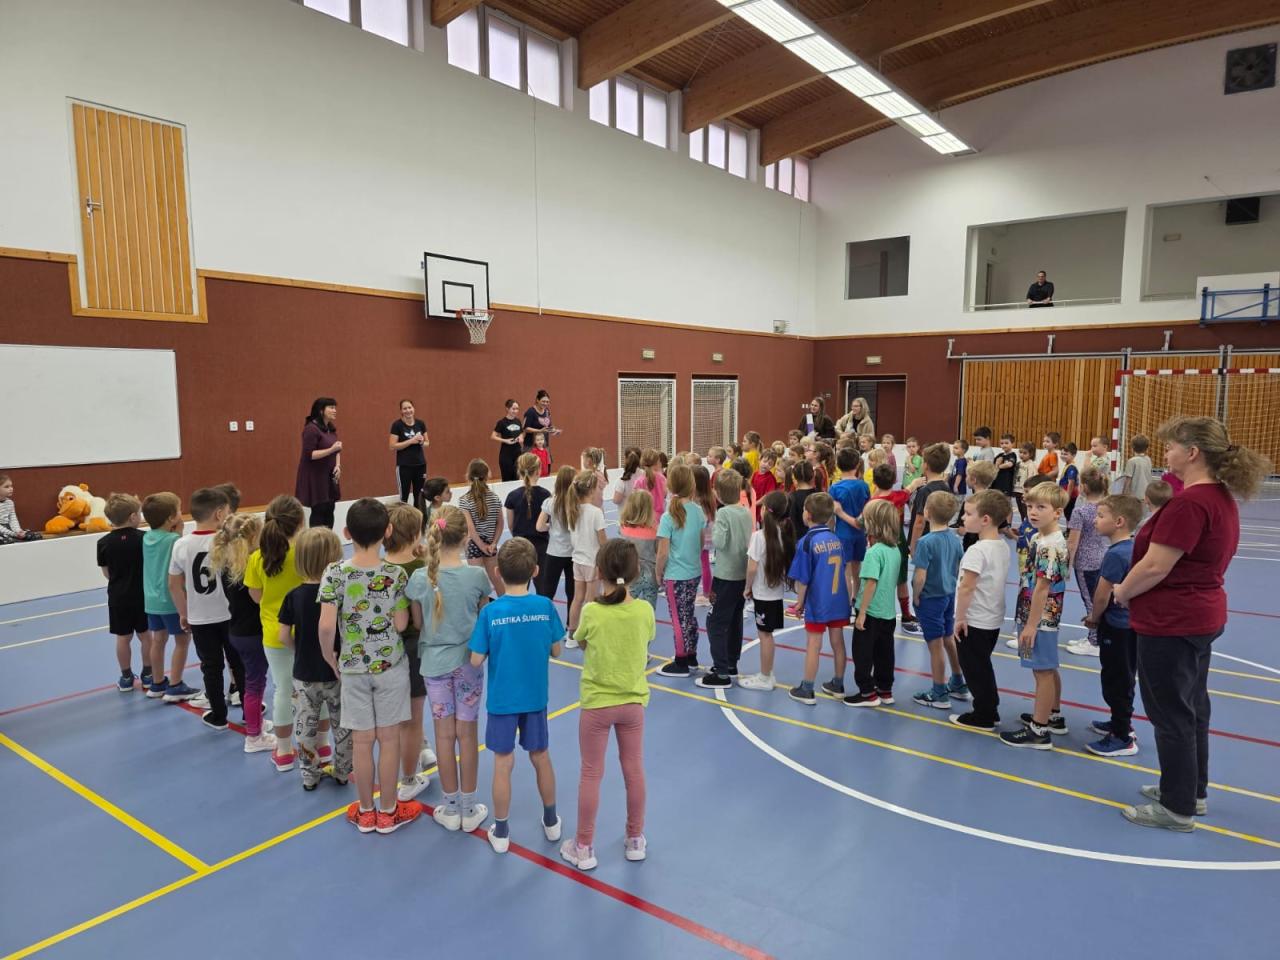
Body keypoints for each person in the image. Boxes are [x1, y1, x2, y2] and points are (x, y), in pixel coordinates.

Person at [1112, 417, 1269, 831]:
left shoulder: (1189, 504)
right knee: (1192, 708)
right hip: (1199, 616)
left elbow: (1155, 566)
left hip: (1174, 621)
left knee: (1171, 714)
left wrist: (1123, 591)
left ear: (1192, 452)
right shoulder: (1217, 498)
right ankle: (1189, 791)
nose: (1166, 455)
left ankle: (1177, 807)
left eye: (1171, 448)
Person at [321, 498, 421, 835]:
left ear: (347, 533)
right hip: (391, 666)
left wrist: (329, 656)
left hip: (352, 668)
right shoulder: (395, 574)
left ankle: (366, 812)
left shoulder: (334, 573)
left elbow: (326, 625)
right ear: (387, 531)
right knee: (389, 739)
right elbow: (402, 621)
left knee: (362, 742)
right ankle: (389, 811)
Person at [561, 539, 654, 871]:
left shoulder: (591, 611)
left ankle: (583, 846)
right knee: (634, 769)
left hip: (597, 704)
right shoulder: (644, 610)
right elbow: (645, 641)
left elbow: (581, 641)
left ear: (598, 572)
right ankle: (635, 838)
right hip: (632, 701)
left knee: (591, 772)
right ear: (636, 571)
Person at [469, 538, 564, 854]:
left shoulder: (491, 612)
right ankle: (551, 821)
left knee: (502, 762)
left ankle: (501, 831)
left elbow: (475, 660)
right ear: (535, 571)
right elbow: (557, 650)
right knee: (541, 756)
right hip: (535, 698)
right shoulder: (545, 606)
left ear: (497, 572)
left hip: (502, 701)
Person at [408, 504, 492, 834]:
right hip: (468, 664)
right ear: (465, 537)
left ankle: (451, 806)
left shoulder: (420, 578)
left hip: (434, 665)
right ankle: (469, 808)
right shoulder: (477, 576)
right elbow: (483, 618)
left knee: (443, 734)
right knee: (467, 733)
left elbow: (418, 622)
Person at [279, 527, 353, 791]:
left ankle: (309, 775)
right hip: (337, 672)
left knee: (304, 727)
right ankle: (343, 771)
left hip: (304, 674)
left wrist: (298, 650)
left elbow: (283, 635)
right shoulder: (340, 594)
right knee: (343, 726)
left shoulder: (294, 596)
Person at [1000, 481, 1069, 750]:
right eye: (1030, 506)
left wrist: (1031, 625)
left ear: (1057, 512)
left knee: (1042, 670)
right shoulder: (1041, 538)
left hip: (1040, 617)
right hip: (1036, 613)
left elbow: (1042, 587)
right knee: (1047, 667)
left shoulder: (1050, 545)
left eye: (1041, 507)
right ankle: (1052, 715)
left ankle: (1039, 730)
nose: (1033, 512)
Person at [168, 487, 243, 731]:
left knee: (211, 667)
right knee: (238, 663)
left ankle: (218, 715)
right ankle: (249, 708)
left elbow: (174, 584)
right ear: (220, 514)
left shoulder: (181, 544)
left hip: (200, 618)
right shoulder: (228, 542)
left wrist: (183, 612)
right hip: (230, 615)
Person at [246, 495, 308, 771]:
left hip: (274, 634)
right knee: (317, 687)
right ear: (300, 523)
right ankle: (322, 746)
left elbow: (256, 596)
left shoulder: (257, 558)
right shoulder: (305, 553)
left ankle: (283, 751)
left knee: (283, 689)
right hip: (309, 632)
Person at [209, 513, 276, 754]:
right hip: (252, 633)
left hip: (238, 630)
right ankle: (254, 736)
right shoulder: (251, 564)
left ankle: (255, 721)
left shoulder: (228, 564)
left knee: (253, 682)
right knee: (255, 684)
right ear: (254, 536)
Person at [1083, 494, 1143, 758]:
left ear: (1119, 522)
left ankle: (1122, 735)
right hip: (1130, 626)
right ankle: (1120, 722)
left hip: (1117, 627)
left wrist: (1094, 618)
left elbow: (1102, 594)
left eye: (1100, 516)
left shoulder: (1116, 554)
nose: (1095, 521)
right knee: (1123, 676)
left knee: (1116, 679)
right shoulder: (1134, 547)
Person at [383, 503, 435, 802]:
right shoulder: (421, 570)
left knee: (397, 714)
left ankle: (420, 747)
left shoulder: (379, 567)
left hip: (383, 649)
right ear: (416, 534)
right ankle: (408, 779)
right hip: (414, 646)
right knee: (412, 717)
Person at [951, 491, 1012, 731]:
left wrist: (960, 617)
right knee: (982, 665)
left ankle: (984, 714)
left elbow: (967, 586)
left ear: (985, 519)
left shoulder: (977, 550)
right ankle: (990, 708)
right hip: (992, 618)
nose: (963, 518)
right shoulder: (1002, 545)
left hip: (974, 620)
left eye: (968, 514)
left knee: (974, 669)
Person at [786, 493, 850, 705]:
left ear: (808, 515)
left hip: (819, 602)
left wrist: (800, 603)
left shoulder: (807, 542)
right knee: (838, 642)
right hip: (838, 600)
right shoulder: (836, 539)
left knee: (814, 643)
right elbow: (845, 572)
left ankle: (807, 689)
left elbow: (803, 580)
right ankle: (838, 684)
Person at [841, 498, 903, 707]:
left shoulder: (874, 553)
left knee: (863, 654)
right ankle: (885, 689)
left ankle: (867, 692)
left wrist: (862, 613)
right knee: (885, 653)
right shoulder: (895, 550)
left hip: (871, 613)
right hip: (888, 613)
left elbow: (870, 584)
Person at [910, 491, 968, 709]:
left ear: (927, 512)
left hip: (931, 598)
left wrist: (916, 595)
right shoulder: (955, 539)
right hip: (948, 595)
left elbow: (920, 576)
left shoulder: (925, 542)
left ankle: (939, 692)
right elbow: (958, 567)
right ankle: (958, 682)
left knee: (935, 646)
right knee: (948, 638)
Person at [141, 492, 199, 703]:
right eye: (178, 510)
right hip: (171, 600)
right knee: (182, 640)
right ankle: (175, 685)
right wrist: (180, 533)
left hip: (151, 600)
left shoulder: (147, 537)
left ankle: (157, 683)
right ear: (171, 518)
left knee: (158, 639)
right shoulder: (174, 540)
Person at [697, 470, 752, 689]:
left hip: (726, 575)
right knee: (735, 619)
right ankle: (730, 663)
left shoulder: (723, 514)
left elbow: (719, 542)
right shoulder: (745, 511)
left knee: (715, 623)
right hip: (741, 573)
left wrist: (707, 532)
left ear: (718, 493)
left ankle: (721, 672)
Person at [738, 491, 795, 692]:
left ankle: (765, 677)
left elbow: (752, 567)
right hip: (775, 594)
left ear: (764, 511)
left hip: (763, 595)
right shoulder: (784, 535)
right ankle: (767, 673)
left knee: (765, 635)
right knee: (767, 634)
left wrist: (747, 587)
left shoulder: (759, 537)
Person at [655, 464, 706, 678]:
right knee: (688, 614)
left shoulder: (668, 517)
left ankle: (681, 660)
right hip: (693, 572)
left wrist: (658, 572)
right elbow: (701, 542)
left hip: (676, 575)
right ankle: (691, 655)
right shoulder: (697, 511)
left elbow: (663, 552)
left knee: (678, 618)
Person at [97, 493, 152, 691]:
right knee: (146, 636)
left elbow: (107, 573)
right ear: (132, 517)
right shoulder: (144, 539)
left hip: (118, 598)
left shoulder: (103, 542)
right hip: (142, 595)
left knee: (123, 637)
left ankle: (126, 677)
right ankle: (148, 674)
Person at [870, 463, 921, 635]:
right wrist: (915, 483)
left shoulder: (872, 503)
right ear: (894, 480)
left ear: (874, 482)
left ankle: (877, 613)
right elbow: (909, 489)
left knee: (878, 581)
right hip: (898, 543)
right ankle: (906, 615)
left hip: (878, 545)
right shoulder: (899, 496)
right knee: (901, 581)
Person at [1064, 468, 1108, 657]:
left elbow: (1072, 541)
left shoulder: (1080, 511)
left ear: (1084, 487)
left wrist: (1067, 565)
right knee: (1097, 597)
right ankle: (1095, 636)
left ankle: (1094, 641)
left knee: (1090, 600)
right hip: (1102, 557)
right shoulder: (1106, 508)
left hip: (1085, 562)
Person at [566, 471, 607, 646]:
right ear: (591, 490)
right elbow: (602, 540)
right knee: (591, 600)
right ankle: (587, 634)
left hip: (578, 560)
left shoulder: (572, 510)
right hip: (592, 561)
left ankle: (572, 634)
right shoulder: (595, 512)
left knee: (577, 598)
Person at [828, 447, 870, 598]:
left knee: (845, 571)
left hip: (843, 534)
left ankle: (846, 603)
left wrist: (830, 533)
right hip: (859, 534)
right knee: (856, 569)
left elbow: (831, 516)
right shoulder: (864, 486)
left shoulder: (834, 488)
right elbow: (866, 511)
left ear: (838, 465)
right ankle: (856, 598)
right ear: (857, 465)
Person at [459, 459, 504, 597]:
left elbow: (470, 529)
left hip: (474, 544)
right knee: (496, 579)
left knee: (476, 582)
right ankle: (507, 605)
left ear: (469, 476)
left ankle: (480, 607)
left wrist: (481, 546)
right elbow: (500, 524)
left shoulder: (464, 500)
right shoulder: (494, 498)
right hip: (490, 543)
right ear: (487, 475)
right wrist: (493, 543)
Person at [536, 465, 577, 614]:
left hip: (555, 552)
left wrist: (551, 527)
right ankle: (571, 624)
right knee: (572, 592)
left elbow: (539, 527)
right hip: (573, 552)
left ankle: (545, 619)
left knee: (548, 590)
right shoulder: (577, 503)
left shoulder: (550, 502)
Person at [296, 397, 341, 529]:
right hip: (316, 477)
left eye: (335, 407)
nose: (335, 410)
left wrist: (338, 466)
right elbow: (309, 454)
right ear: (321, 410)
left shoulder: (330, 429)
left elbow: (337, 450)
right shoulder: (311, 429)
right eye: (331, 407)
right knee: (319, 510)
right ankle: (316, 541)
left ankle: (328, 539)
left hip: (329, 476)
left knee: (330, 508)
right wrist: (331, 449)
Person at [506, 453, 551, 578]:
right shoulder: (546, 495)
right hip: (541, 546)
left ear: (519, 471)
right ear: (538, 471)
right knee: (542, 584)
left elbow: (511, 525)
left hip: (520, 546)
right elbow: (549, 523)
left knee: (520, 582)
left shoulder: (512, 496)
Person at [619, 490, 658, 610]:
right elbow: (658, 552)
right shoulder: (654, 531)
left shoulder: (623, 529)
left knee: (626, 607)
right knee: (649, 609)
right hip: (650, 575)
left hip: (631, 574)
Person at [390, 398, 429, 509]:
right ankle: (403, 519)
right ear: (401, 411)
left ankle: (420, 519)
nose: (408, 410)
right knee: (404, 498)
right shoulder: (397, 425)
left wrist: (421, 442)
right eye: (405, 408)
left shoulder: (420, 423)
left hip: (420, 465)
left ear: (413, 409)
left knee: (419, 497)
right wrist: (411, 441)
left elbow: (427, 443)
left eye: (409, 407)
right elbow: (392, 446)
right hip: (404, 466)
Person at [691, 465, 716, 607]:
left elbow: (700, 521)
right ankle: (706, 591)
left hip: (703, 536)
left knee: (704, 563)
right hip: (707, 535)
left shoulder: (698, 500)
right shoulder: (709, 496)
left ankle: (707, 593)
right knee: (704, 563)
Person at [0, 474, 41, 543]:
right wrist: (13, 534)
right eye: (6, 487)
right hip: (2, 530)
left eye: (11, 486)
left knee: (34, 536)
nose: (11, 489)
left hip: (8, 529)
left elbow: (13, 520)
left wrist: (18, 531)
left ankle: (15, 539)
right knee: (5, 540)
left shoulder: (10, 503)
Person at [491, 398, 524, 482]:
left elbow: (521, 433)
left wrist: (521, 437)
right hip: (506, 454)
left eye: (517, 409)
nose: (515, 411)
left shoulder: (518, 421)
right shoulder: (501, 422)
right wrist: (506, 441)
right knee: (507, 480)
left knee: (517, 478)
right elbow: (493, 436)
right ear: (507, 409)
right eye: (513, 409)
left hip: (517, 453)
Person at [633, 449, 667, 522]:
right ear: (657, 462)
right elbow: (665, 494)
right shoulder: (662, 478)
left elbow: (636, 503)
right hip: (660, 518)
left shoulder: (639, 481)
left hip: (645, 519)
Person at [1118, 434, 1153, 501]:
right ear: (1147, 447)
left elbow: (1128, 480)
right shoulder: (1148, 459)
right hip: (1147, 494)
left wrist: (1123, 494)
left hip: (1135, 496)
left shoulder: (1131, 461)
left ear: (1133, 447)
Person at [993, 433, 1018, 502]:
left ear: (1012, 444)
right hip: (997, 482)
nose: (1004, 445)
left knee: (1006, 501)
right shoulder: (999, 455)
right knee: (997, 501)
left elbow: (1010, 464)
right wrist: (997, 465)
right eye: (1002, 443)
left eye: (1006, 443)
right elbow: (994, 466)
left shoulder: (1012, 455)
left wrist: (999, 466)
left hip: (1007, 483)